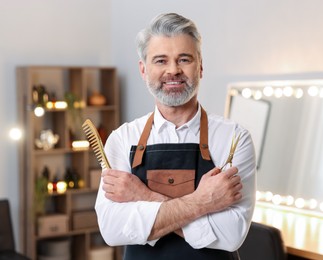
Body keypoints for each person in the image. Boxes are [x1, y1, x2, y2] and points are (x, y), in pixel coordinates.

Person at [95, 12, 257, 260]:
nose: (173, 70)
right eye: (160, 60)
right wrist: (203, 202)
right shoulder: (122, 139)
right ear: (143, 69)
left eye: (184, 59)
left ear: (200, 66)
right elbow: (113, 230)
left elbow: (230, 234)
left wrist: (143, 196)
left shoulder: (234, 138)